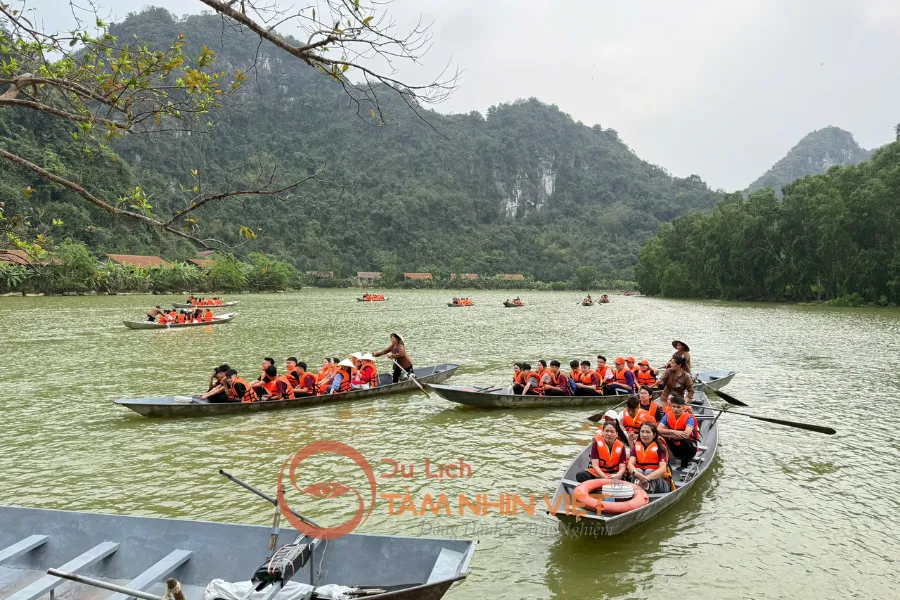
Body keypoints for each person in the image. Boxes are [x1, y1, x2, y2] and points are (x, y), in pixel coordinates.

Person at [627, 422, 672, 493]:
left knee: (649, 471)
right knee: (638, 470)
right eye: (642, 432)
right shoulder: (636, 446)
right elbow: (630, 464)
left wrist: (647, 478)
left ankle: (648, 494)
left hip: (660, 484)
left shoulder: (660, 448)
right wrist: (637, 474)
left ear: (654, 435)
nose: (644, 435)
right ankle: (636, 493)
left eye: (648, 432)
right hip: (641, 478)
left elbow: (663, 469)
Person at [658, 394, 699, 469]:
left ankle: (684, 464)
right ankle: (667, 460)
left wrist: (666, 434)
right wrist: (675, 432)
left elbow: (686, 435)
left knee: (685, 441)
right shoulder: (667, 415)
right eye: (673, 407)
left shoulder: (689, 418)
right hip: (673, 447)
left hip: (688, 450)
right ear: (671, 407)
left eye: (678, 407)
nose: (675, 409)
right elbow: (658, 429)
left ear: (683, 408)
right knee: (659, 438)